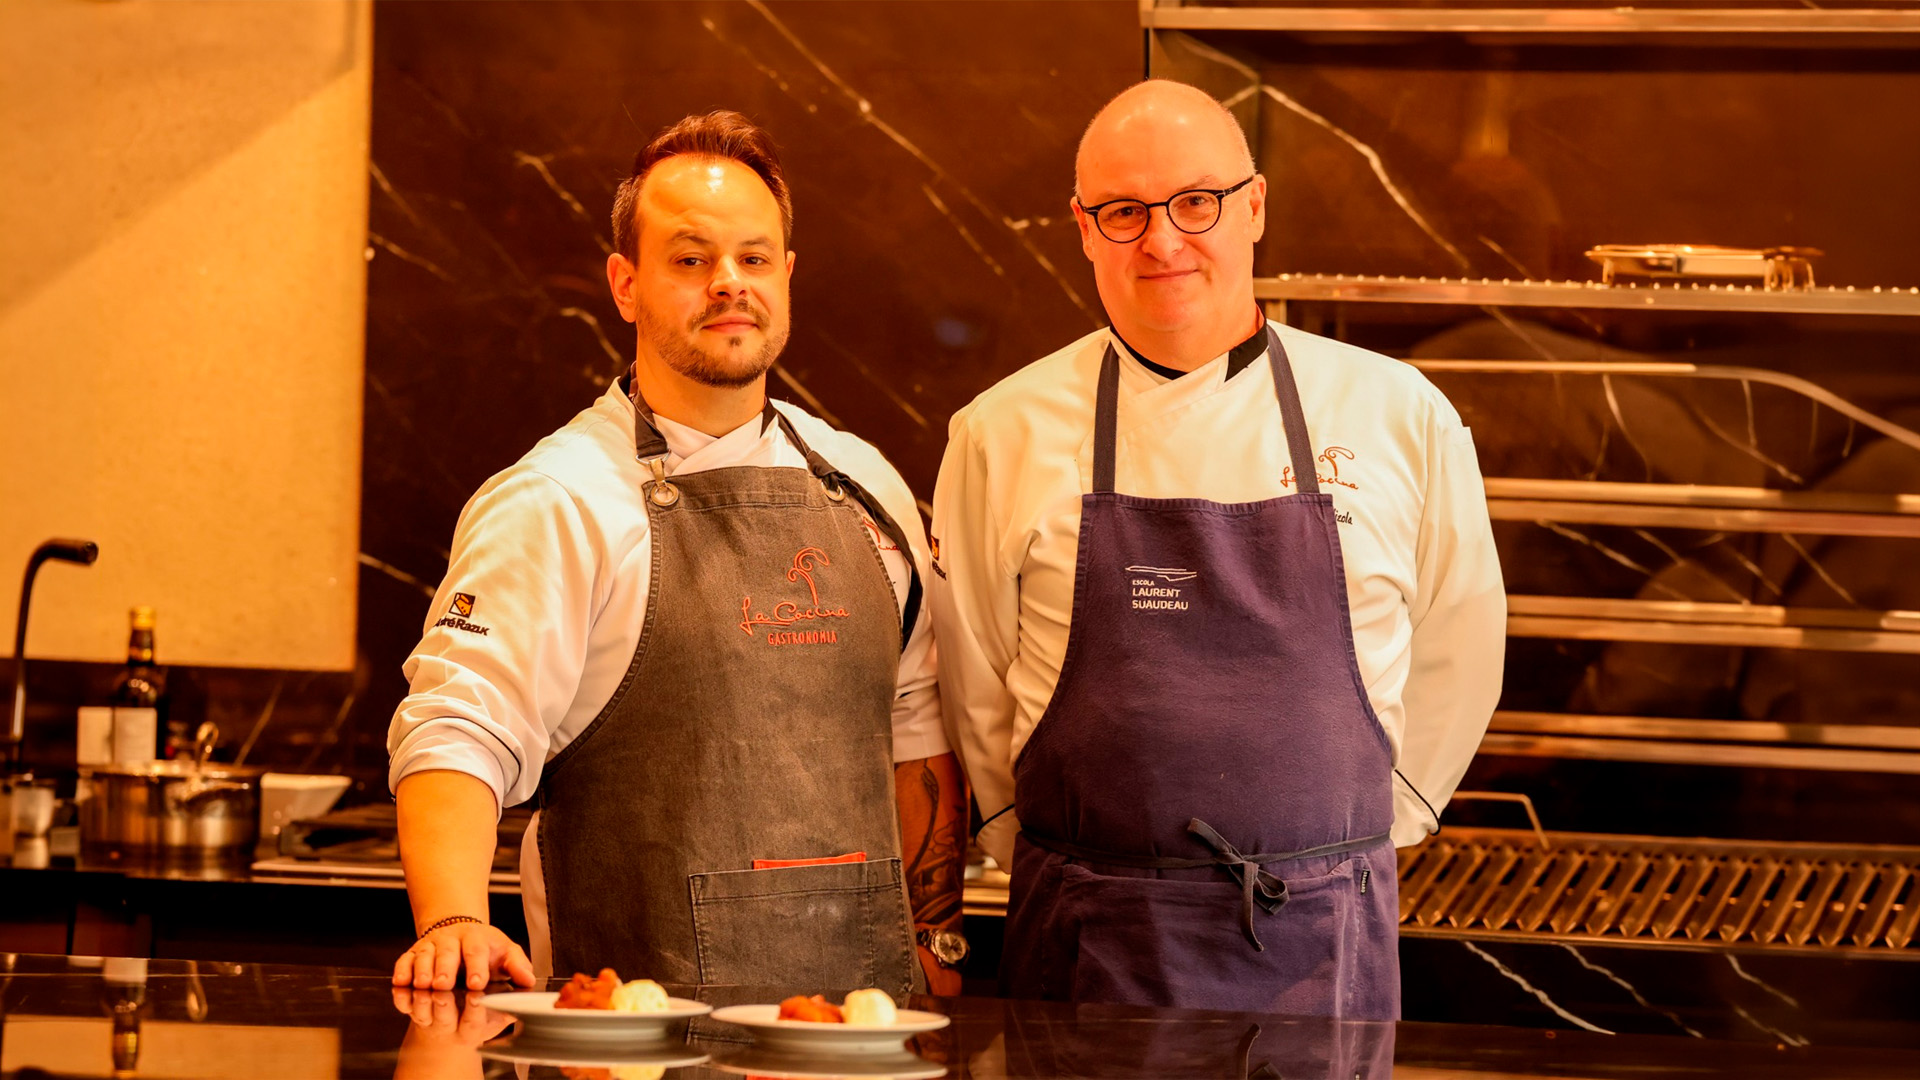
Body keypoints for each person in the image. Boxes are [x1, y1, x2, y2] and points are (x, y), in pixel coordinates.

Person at [929, 80, 1505, 1017]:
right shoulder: (1001, 433)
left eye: (1197, 202)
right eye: (1124, 212)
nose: (1162, 241)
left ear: (1256, 207)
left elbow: (1460, 646)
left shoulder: (1400, 415)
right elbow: (974, 681)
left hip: (1324, 941)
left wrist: (1358, 832)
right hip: (1089, 937)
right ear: (1082, 226)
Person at [386, 110, 969, 998]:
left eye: (754, 257)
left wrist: (937, 937)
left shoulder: (864, 486)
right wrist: (456, 921)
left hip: (860, 1033)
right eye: (691, 260)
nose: (728, 284)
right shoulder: (558, 501)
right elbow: (458, 729)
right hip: (632, 1034)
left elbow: (917, 729)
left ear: (788, 273)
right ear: (625, 285)